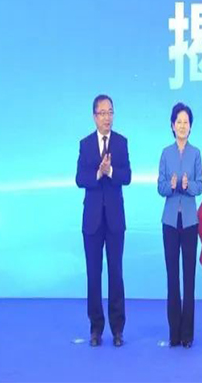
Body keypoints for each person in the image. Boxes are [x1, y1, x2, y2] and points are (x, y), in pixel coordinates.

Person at [75, 94, 132, 347]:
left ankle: (118, 329)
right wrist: (98, 173)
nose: (107, 117)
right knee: (93, 274)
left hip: (115, 220)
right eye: (102, 113)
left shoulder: (121, 142)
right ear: (94, 116)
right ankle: (96, 328)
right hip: (92, 221)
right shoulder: (85, 144)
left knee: (116, 273)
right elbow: (80, 178)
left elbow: (127, 176)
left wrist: (111, 171)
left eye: (110, 112)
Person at [157, 102, 202, 348]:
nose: (182, 126)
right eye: (179, 122)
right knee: (172, 278)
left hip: (189, 222)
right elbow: (160, 187)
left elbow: (200, 185)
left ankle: (188, 334)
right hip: (169, 222)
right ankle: (174, 333)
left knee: (189, 278)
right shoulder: (166, 153)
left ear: (191, 127)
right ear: (172, 126)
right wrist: (172, 185)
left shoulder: (196, 153)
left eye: (186, 122)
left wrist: (188, 186)